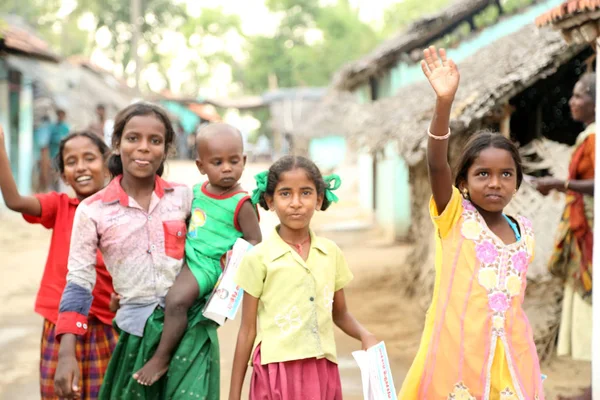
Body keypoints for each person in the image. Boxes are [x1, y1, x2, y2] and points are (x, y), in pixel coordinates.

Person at [398, 47, 544, 399]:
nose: (495, 182)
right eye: (483, 174)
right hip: (458, 354)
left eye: (505, 174)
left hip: (512, 355)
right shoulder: (455, 217)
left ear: (516, 182)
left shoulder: (524, 232)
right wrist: (444, 102)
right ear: (463, 182)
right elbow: (436, 164)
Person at [53, 103, 217, 400]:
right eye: (133, 139)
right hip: (135, 332)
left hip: (189, 330)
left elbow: (214, 246)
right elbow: (79, 281)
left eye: (154, 141)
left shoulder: (185, 197)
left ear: (167, 149)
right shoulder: (93, 211)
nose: (143, 148)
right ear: (116, 144)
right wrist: (67, 351)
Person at [229, 155, 378, 400]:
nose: (296, 203)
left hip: (321, 368)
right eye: (285, 193)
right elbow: (247, 331)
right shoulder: (259, 258)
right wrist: (234, 395)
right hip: (276, 371)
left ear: (319, 199)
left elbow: (339, 313)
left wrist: (365, 334)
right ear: (270, 200)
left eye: (306, 193)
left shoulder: (330, 253)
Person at [133, 122, 262, 386]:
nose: (227, 168)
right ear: (201, 166)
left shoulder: (242, 202)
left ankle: (162, 358)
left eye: (233, 161)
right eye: (217, 162)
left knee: (177, 301)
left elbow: (255, 240)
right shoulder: (195, 192)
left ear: (244, 161)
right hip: (187, 255)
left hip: (209, 264)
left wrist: (232, 266)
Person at [0, 126, 117, 400]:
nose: (81, 167)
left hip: (105, 325)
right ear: (64, 175)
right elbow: (15, 201)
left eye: (90, 158)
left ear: (107, 164)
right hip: (59, 327)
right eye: (71, 162)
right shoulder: (59, 206)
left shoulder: (120, 212)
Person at [534, 73, 596, 400]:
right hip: (583, 230)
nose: (573, 102)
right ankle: (590, 388)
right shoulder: (588, 136)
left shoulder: (596, 138)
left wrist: (559, 185)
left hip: (592, 233)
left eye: (580, 95)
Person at [47, 109, 72, 192]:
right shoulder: (52, 127)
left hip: (62, 155)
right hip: (53, 155)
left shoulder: (66, 127)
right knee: (52, 173)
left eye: (62, 115)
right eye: (59, 114)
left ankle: (60, 192)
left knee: (60, 173)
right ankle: (53, 191)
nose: (60, 117)